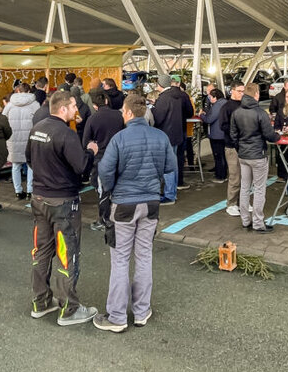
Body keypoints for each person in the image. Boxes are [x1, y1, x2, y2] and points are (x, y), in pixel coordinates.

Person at [93, 93, 176, 333]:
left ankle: (117, 316)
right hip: (151, 203)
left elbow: (105, 171)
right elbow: (170, 166)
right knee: (144, 256)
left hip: (123, 205)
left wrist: (112, 188)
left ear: (128, 113)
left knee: (120, 259)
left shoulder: (120, 138)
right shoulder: (160, 136)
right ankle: (141, 311)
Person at [25, 90, 99, 325]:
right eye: (74, 106)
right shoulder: (65, 134)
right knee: (68, 253)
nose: (77, 110)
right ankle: (69, 309)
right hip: (63, 201)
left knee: (42, 251)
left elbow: (29, 159)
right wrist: (91, 151)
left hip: (39, 198)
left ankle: (41, 301)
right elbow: (81, 166)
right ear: (63, 108)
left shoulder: (37, 129)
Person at [230, 82, 280, 233]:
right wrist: (278, 135)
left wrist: (240, 148)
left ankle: (245, 221)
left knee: (245, 188)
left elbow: (233, 135)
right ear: (257, 94)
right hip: (258, 155)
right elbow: (269, 135)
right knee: (259, 189)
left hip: (243, 155)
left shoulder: (236, 112)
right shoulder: (260, 113)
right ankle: (258, 223)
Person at [83, 87, 126, 231]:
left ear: (95, 106)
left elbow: (85, 142)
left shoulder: (92, 118)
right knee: (119, 188)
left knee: (103, 190)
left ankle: (104, 219)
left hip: (101, 159)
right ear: (107, 101)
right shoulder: (119, 116)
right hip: (119, 157)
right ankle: (119, 217)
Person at [153, 74, 194, 196]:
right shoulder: (182, 95)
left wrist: (152, 111)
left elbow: (158, 118)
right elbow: (190, 112)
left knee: (168, 164)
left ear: (160, 84)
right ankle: (175, 185)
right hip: (179, 131)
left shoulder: (164, 98)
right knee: (176, 160)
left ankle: (170, 193)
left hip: (166, 134)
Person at [4, 83, 37, 201]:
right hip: (29, 138)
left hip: (13, 138)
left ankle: (18, 191)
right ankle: (30, 190)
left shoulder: (10, 104)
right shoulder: (34, 104)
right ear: (28, 91)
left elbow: (3, 118)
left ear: (18, 91)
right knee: (30, 166)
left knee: (15, 165)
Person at [221, 80, 246, 215]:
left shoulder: (245, 105)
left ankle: (243, 202)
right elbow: (223, 125)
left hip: (244, 145)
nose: (242, 94)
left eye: (243, 91)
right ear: (232, 91)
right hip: (232, 146)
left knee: (246, 176)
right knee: (235, 176)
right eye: (239, 91)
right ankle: (231, 203)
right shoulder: (227, 107)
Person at [203, 87, 228, 182]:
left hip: (217, 134)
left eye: (210, 97)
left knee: (219, 155)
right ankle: (222, 173)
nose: (209, 99)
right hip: (222, 133)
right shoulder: (224, 103)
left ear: (215, 97)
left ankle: (220, 175)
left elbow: (209, 119)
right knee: (221, 155)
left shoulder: (218, 105)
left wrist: (202, 115)